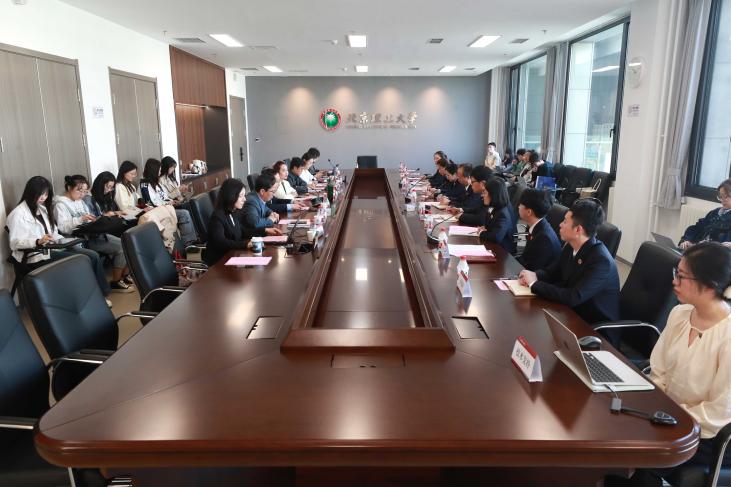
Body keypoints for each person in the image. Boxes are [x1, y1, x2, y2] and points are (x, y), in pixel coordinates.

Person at [605, 242, 731, 487]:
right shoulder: (679, 314)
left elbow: (720, 409)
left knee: (636, 462)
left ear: (710, 285)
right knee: (611, 433)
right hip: (666, 414)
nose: (674, 281)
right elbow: (659, 370)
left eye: (681, 276)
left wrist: (672, 418)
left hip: (705, 433)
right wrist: (657, 407)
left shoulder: (727, 335)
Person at [7, 176, 113, 305]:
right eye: (41, 194)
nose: (43, 197)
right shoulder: (18, 214)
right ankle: (89, 299)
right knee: (80, 261)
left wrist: (65, 242)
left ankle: (101, 294)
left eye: (46, 194)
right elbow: (15, 243)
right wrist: (37, 241)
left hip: (50, 249)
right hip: (34, 256)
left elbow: (54, 233)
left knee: (92, 255)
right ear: (31, 192)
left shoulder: (42, 209)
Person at [518, 198, 620, 324]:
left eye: (565, 221)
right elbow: (553, 272)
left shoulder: (601, 262)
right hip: (571, 314)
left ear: (578, 230)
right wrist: (535, 275)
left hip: (592, 326)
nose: (560, 224)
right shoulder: (571, 246)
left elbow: (573, 297)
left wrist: (534, 284)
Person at [53, 175, 132, 291]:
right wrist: (80, 219)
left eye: (84, 191)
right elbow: (63, 228)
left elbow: (89, 217)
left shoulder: (80, 201)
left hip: (92, 234)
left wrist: (96, 220)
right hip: (78, 239)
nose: (82, 194)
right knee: (115, 249)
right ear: (69, 187)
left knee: (124, 243)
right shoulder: (60, 205)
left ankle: (121, 278)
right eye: (79, 191)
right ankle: (110, 285)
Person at [202, 178, 283, 266]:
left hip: (232, 255)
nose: (244, 199)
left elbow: (242, 231)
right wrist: (245, 244)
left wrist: (265, 231)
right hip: (219, 261)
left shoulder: (232, 212)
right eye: (241, 196)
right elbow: (220, 242)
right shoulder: (218, 216)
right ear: (231, 196)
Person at [115, 160, 179, 253]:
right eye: (132, 174)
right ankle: (167, 244)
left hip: (139, 212)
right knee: (155, 218)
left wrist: (145, 206)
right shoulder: (119, 187)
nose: (134, 176)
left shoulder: (131, 186)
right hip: (131, 216)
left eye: (135, 174)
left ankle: (169, 244)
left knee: (167, 212)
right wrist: (141, 209)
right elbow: (124, 209)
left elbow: (140, 200)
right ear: (124, 173)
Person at [140, 158, 198, 246]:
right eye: (159, 170)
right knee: (184, 213)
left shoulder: (156, 183)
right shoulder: (145, 185)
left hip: (166, 208)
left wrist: (171, 201)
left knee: (188, 206)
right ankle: (188, 243)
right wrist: (168, 202)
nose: (160, 172)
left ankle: (193, 239)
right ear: (153, 171)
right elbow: (152, 203)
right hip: (158, 212)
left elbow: (164, 197)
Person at [516, 188, 562, 271]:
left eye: (520, 205)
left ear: (529, 212)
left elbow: (532, 268)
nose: (518, 207)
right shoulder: (535, 225)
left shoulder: (544, 239)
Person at [679, 179, 731, 249]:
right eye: (720, 197)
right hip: (700, 249)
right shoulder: (714, 213)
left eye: (726, 197)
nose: (722, 200)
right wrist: (686, 240)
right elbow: (696, 228)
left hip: (717, 253)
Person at [476, 177, 515, 252]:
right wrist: (484, 228)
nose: (482, 195)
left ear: (493, 195)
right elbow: (491, 227)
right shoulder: (494, 207)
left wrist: (481, 233)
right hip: (493, 247)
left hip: (502, 252)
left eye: (485, 193)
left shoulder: (503, 213)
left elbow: (496, 237)